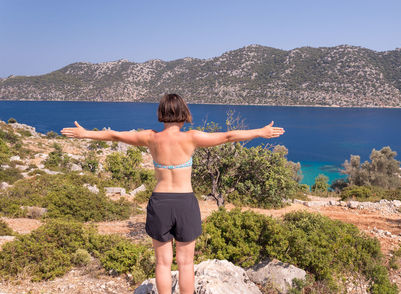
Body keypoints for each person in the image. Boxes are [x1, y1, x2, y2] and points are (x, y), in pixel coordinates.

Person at [61, 93, 285, 294]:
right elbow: (228, 136)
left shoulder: (150, 137)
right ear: (184, 113)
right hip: (185, 202)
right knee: (186, 264)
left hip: (160, 202)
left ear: (161, 113)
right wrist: (260, 132)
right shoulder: (191, 138)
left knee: (162, 263)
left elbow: (115, 136)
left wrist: (85, 134)